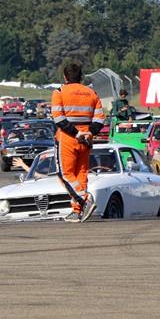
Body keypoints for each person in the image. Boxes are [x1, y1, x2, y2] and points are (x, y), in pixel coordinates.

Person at [51, 62, 106, 222]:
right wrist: (89, 132)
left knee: (64, 174)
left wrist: (76, 133)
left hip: (68, 138)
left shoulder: (59, 92)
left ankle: (85, 200)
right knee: (81, 174)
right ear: (81, 77)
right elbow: (100, 118)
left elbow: (58, 118)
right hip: (87, 140)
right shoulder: (92, 93)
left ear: (65, 77)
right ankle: (77, 211)